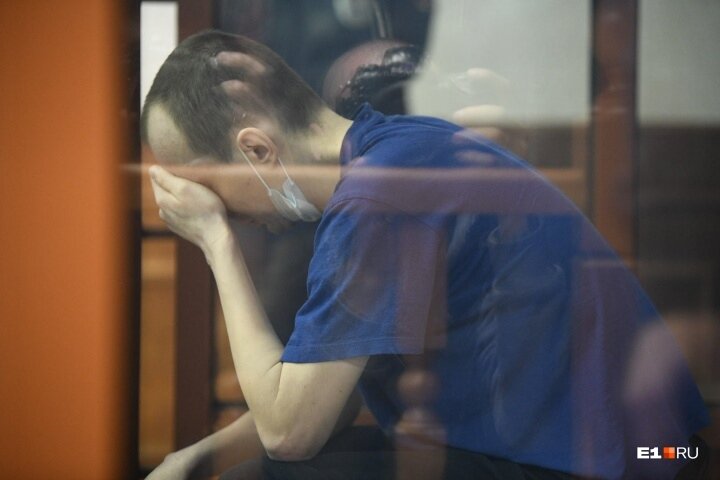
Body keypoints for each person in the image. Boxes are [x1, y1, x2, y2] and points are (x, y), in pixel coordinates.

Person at [141, 30, 709, 480]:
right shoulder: (395, 151)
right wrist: (199, 455)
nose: (210, 206)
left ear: (257, 149)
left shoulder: (378, 196)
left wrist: (216, 242)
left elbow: (291, 432)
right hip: (644, 450)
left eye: (207, 186)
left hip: (633, 461)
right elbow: (324, 398)